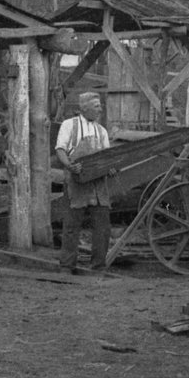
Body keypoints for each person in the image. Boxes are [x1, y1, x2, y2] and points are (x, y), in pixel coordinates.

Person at [54, 91, 114, 273]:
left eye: (100, 106)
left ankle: (98, 267)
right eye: (97, 106)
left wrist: (110, 169)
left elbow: (107, 157)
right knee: (72, 226)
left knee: (102, 228)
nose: (100, 110)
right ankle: (67, 266)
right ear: (85, 108)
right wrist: (70, 166)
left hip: (98, 185)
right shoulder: (68, 126)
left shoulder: (101, 131)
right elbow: (60, 150)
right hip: (76, 182)